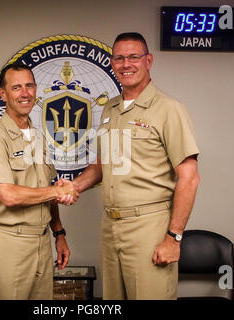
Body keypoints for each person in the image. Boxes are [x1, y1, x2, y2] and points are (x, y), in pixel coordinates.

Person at [70, 32, 200, 299]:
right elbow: (103, 165)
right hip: (111, 227)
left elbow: (189, 178)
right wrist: (74, 186)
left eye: (133, 57)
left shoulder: (168, 109)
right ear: (112, 62)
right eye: (119, 58)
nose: (125, 64)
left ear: (148, 60)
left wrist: (173, 238)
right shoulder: (111, 110)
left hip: (149, 226)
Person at [0, 63, 78, 300]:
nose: (25, 93)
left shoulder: (37, 137)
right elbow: (8, 195)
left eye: (29, 85)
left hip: (41, 241)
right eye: (16, 87)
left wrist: (59, 233)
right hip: (9, 243)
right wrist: (58, 191)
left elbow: (46, 187)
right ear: (3, 95)